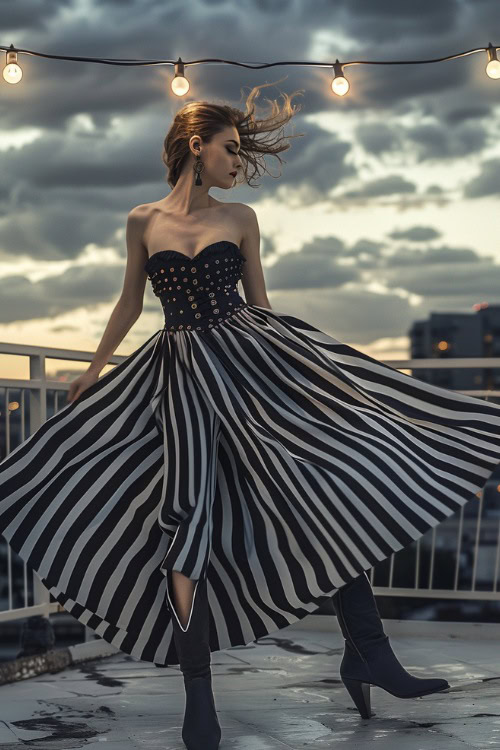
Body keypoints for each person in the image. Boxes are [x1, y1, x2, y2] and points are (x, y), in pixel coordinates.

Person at [1, 80, 500, 750]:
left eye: (240, 152)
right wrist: (94, 367)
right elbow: (128, 303)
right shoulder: (143, 219)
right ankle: (198, 699)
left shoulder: (241, 220)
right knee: (187, 519)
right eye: (230, 150)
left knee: (323, 491)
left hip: (251, 368)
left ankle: (370, 651)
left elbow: (260, 306)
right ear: (195, 146)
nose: (238, 163)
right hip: (181, 377)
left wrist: (308, 377)